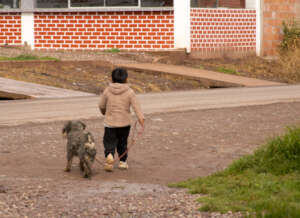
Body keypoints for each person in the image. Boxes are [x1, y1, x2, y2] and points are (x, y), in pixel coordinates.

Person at [99, 68, 145, 172]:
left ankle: (109, 156)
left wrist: (104, 112)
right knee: (122, 143)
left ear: (112, 78)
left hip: (110, 123)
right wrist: (141, 119)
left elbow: (101, 105)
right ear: (126, 79)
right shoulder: (130, 92)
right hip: (124, 123)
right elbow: (136, 107)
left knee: (109, 142)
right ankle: (122, 162)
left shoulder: (107, 90)